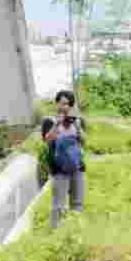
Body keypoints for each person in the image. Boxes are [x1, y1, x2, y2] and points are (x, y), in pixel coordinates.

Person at [41, 89, 86, 229]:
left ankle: (75, 231)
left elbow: (84, 141)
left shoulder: (77, 121)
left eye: (67, 104)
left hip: (77, 167)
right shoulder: (49, 121)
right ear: (56, 103)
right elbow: (47, 140)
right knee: (58, 206)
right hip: (59, 170)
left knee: (78, 204)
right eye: (61, 103)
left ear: (71, 106)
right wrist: (57, 124)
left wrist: (77, 126)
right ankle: (55, 233)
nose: (64, 107)